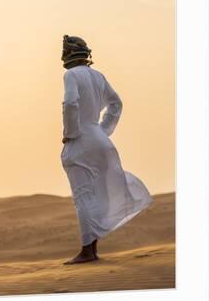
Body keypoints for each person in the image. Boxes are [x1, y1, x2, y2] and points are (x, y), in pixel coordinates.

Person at [60, 34, 153, 264]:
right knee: (98, 192)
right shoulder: (98, 75)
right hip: (101, 141)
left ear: (68, 53)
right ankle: (91, 249)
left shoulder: (70, 75)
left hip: (81, 141)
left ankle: (87, 251)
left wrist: (70, 133)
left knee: (83, 196)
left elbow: (71, 103)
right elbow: (116, 103)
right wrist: (103, 129)